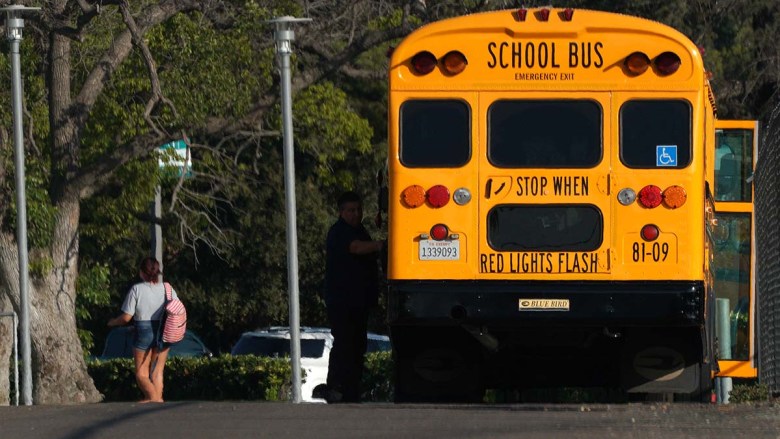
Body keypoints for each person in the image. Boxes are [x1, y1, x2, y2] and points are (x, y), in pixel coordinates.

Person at [321, 191, 384, 403]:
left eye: (358, 210)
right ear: (341, 212)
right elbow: (355, 248)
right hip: (342, 300)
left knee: (358, 345)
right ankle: (336, 388)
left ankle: (351, 389)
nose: (355, 214)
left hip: (359, 300)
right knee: (344, 344)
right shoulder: (339, 232)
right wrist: (380, 245)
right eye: (350, 210)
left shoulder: (360, 230)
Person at [107, 257, 177, 403]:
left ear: (142, 273)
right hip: (164, 331)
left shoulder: (137, 289)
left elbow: (126, 317)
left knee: (141, 374)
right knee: (157, 372)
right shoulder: (167, 288)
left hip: (143, 331)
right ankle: (157, 401)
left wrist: (113, 322)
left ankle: (153, 398)